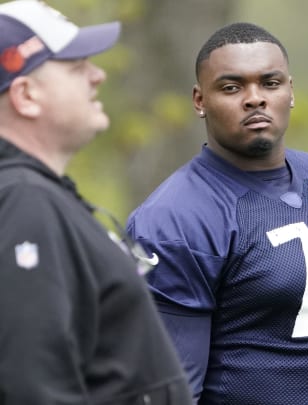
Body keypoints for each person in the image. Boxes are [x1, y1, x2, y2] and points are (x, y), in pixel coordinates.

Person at [126, 22, 308, 405]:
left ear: (290, 91)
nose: (255, 98)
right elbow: (170, 393)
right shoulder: (174, 220)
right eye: (232, 87)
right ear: (199, 100)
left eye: (270, 83)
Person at [0, 1, 193, 404]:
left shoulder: (35, 196)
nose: (98, 75)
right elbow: (32, 387)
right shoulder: (25, 203)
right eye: (76, 67)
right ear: (26, 95)